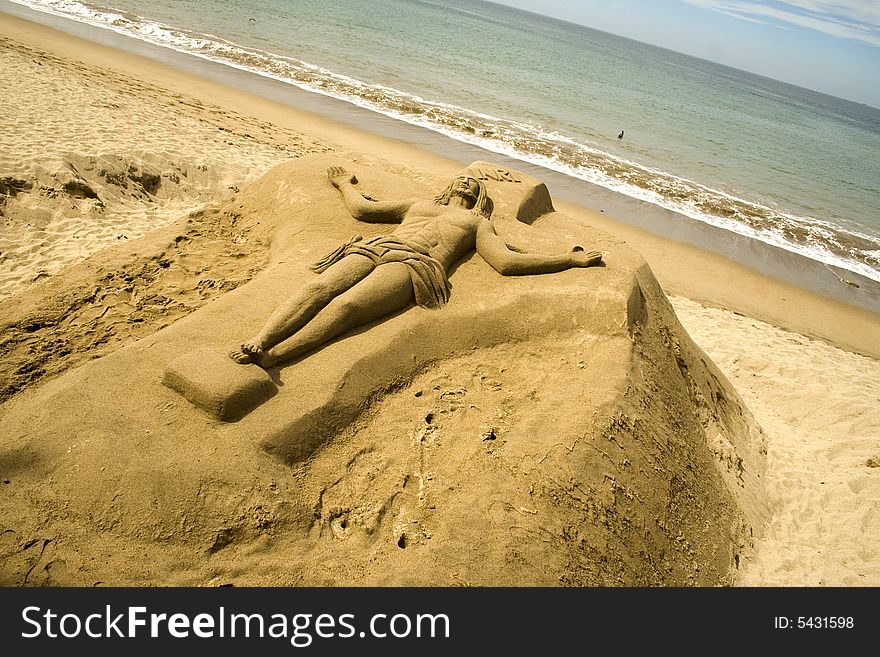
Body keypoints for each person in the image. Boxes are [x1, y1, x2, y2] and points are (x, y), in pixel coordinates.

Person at [229, 166, 603, 368]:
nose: (468, 180)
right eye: (464, 177)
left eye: (474, 183)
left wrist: (569, 259)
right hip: (380, 247)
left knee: (347, 307)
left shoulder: (476, 224)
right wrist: (344, 183)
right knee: (318, 289)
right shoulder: (417, 205)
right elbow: (363, 210)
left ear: (480, 198)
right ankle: (261, 340)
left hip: (414, 265)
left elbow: (505, 262)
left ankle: (278, 356)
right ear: (449, 185)